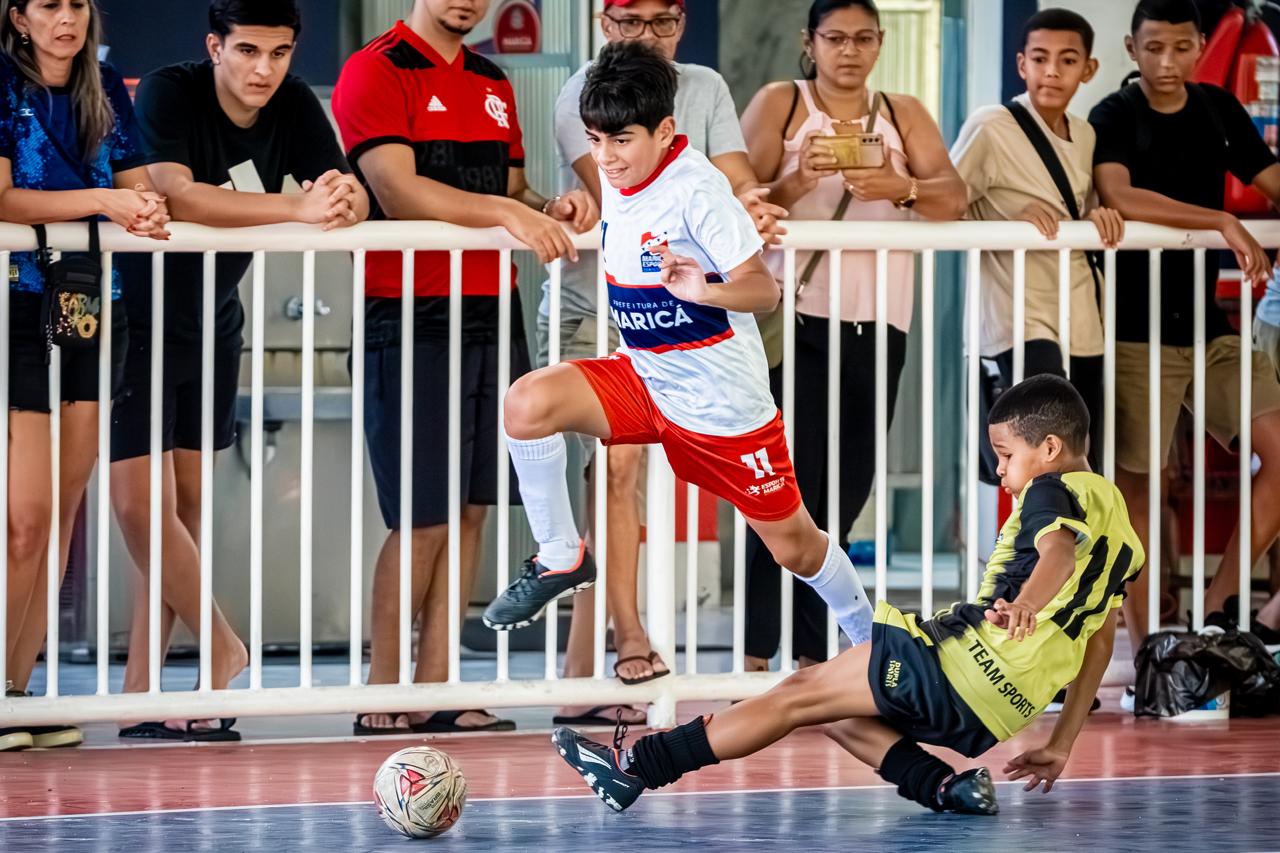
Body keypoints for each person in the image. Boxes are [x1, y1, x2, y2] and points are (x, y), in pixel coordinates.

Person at [554, 374, 1144, 817]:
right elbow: (1100, 640)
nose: (1000, 470)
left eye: (1006, 455)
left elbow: (1057, 553)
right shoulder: (1116, 518)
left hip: (965, 663)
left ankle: (637, 767)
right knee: (830, 706)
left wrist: (1024, 605)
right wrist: (1061, 741)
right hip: (1000, 713)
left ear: (1047, 448)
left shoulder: (1052, 488)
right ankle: (945, 785)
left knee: (798, 692)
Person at [483, 43, 874, 687]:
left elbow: (762, 290)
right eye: (595, 140)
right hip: (646, 378)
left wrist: (704, 291)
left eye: (622, 141)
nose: (606, 158)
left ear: (665, 132)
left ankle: (870, 642)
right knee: (527, 403)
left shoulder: (698, 190)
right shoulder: (613, 175)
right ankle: (560, 555)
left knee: (796, 546)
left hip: (723, 407)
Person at [332, 0, 594, 735]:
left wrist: (552, 206)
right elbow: (399, 190)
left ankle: (440, 680)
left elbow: (510, 195)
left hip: (491, 307)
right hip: (408, 308)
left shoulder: (491, 79)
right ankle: (384, 690)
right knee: (421, 514)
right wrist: (510, 216)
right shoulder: (374, 69)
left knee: (474, 507)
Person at [110, 0, 368, 742]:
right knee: (139, 507)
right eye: (247, 50)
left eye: (279, 53)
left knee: (182, 509)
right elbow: (175, 191)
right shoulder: (168, 89)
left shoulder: (289, 103)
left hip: (213, 319)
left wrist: (340, 198)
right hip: (138, 316)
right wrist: (295, 211)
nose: (263, 68)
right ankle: (223, 645)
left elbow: (339, 189)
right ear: (213, 46)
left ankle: (140, 688)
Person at [548, 0, 787, 727]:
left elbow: (736, 177)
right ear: (602, 21)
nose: (644, 36)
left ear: (681, 22)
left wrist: (750, 210)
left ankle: (592, 662)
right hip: (600, 306)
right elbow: (616, 190)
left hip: (684, 305)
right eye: (628, 21)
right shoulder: (582, 89)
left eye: (661, 21)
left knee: (642, 472)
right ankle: (622, 638)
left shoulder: (706, 86)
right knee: (608, 471)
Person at [737, 0, 965, 672]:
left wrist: (901, 186)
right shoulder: (782, 102)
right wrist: (797, 178)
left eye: (864, 38)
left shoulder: (903, 113)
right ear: (810, 42)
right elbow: (737, 203)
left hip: (879, 320)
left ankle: (810, 654)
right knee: (786, 488)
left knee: (846, 487)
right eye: (835, 38)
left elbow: (952, 198)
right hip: (795, 317)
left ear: (881, 43)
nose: (849, 51)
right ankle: (755, 653)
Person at [0, 0, 169, 752]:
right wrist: (106, 201)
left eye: (76, 5)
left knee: (65, 509)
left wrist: (146, 205)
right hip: (20, 304)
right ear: (18, 17)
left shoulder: (104, 84)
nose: (65, 19)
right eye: (49, 6)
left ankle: (21, 690)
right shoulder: (3, 83)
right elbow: (3, 197)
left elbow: (136, 180)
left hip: (98, 304)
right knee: (26, 514)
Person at [1089, 0, 1280, 658]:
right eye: (1152, 48)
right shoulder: (1115, 113)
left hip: (1210, 330)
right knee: (1139, 485)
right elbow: (1118, 194)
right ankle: (1150, 652)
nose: (1166, 63)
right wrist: (1222, 221)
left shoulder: (1219, 108)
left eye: (1180, 48)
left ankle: (1222, 615)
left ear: (1201, 46)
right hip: (1134, 331)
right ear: (1131, 47)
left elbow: (1271, 179)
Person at [952, 8, 1123, 475]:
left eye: (1067, 60)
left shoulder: (1086, 133)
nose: (1052, 71)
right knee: (1038, 454)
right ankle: (1033, 550)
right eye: (1040, 58)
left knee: (1085, 452)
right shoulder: (991, 125)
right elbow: (947, 204)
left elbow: (1078, 205)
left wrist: (1094, 215)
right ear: (1021, 64)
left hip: (1081, 312)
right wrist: (1009, 215)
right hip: (1018, 312)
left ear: (1088, 69)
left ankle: (1078, 548)